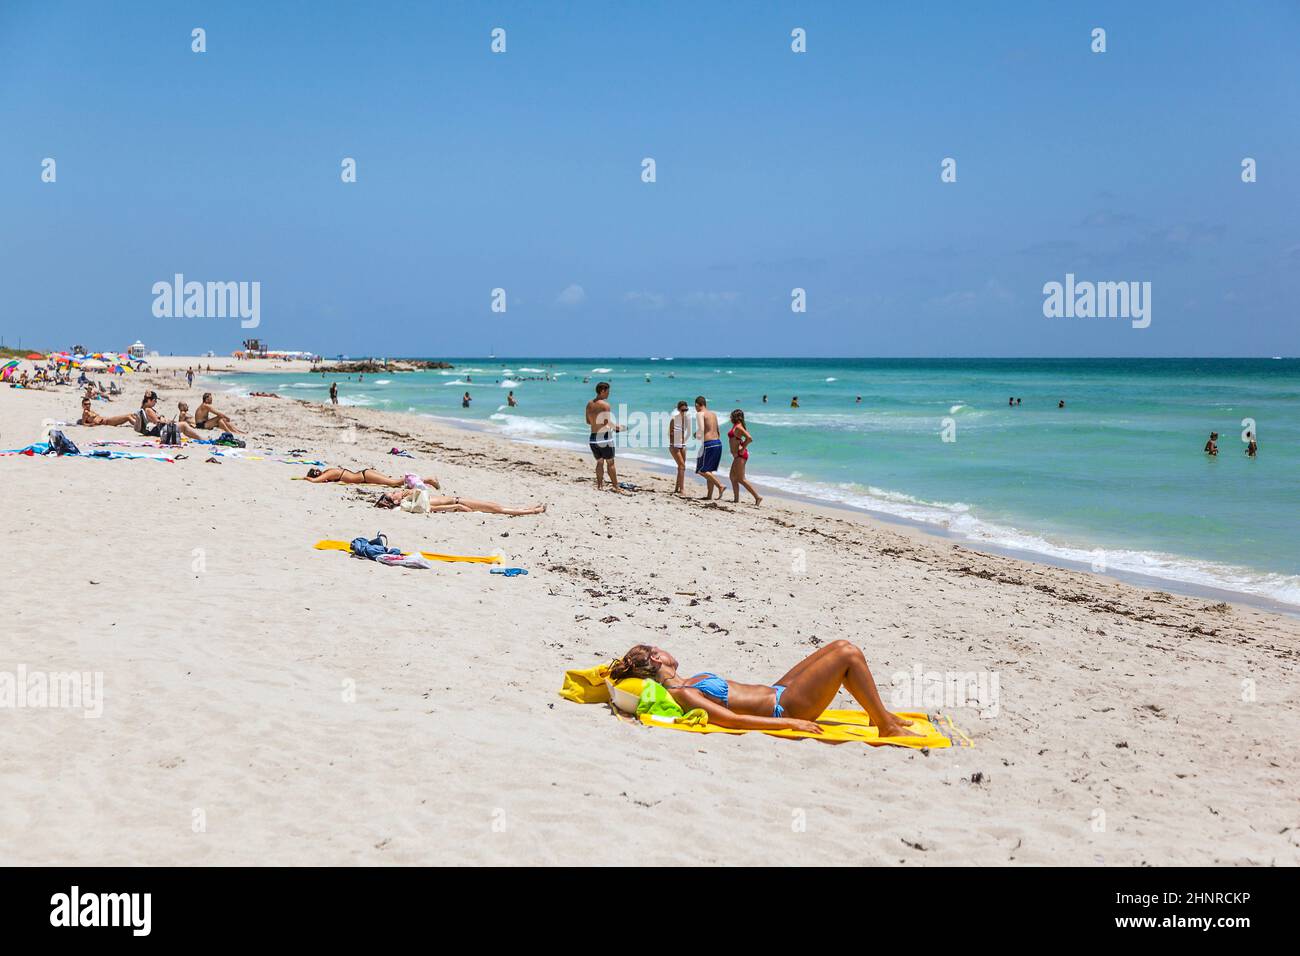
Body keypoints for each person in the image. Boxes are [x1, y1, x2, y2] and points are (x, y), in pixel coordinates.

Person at [608, 641, 917, 737]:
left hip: (778, 690)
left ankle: (880, 714)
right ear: (657, 658)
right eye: (662, 648)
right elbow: (732, 721)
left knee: (837, 647)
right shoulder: (683, 693)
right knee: (848, 654)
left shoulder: (685, 682)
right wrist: (790, 721)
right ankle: (885, 726)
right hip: (786, 706)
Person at [376, 488, 546, 516]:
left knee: (496, 506)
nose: (395, 491)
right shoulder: (409, 503)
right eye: (392, 493)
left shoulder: (408, 500)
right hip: (460, 501)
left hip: (460, 500)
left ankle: (530, 508)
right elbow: (432, 508)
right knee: (497, 508)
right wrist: (457, 506)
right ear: (394, 500)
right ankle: (532, 511)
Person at [584, 381, 625, 492]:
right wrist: (619, 428)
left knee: (600, 462)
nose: (608, 394)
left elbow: (588, 422)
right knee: (610, 462)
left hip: (593, 438)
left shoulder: (589, 404)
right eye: (608, 391)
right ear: (602, 391)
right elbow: (607, 423)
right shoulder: (605, 405)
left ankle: (600, 486)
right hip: (604, 438)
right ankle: (616, 487)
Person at [726, 409, 762, 505]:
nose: (730, 418)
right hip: (737, 455)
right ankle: (736, 499)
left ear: (736, 417)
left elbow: (749, 438)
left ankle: (757, 497)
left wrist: (742, 449)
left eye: (732, 416)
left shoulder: (739, 427)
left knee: (741, 479)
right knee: (732, 477)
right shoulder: (736, 426)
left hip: (741, 455)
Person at [693, 395, 725, 499]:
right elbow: (718, 430)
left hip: (708, 444)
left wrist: (696, 435)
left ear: (698, 405)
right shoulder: (713, 414)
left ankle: (720, 485)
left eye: (695, 406)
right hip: (718, 443)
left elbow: (701, 429)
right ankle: (709, 496)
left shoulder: (699, 414)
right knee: (709, 470)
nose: (695, 408)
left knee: (701, 470)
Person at [305, 467, 440, 488]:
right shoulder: (329, 471)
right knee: (395, 483)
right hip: (364, 474)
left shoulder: (328, 473)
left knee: (394, 483)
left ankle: (428, 480)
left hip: (365, 476)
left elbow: (315, 480)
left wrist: (305, 478)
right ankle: (425, 481)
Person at [667, 400, 690, 495]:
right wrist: (674, 434)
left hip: (682, 445)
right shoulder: (674, 419)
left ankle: (677, 488)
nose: (684, 412)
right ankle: (682, 489)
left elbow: (683, 433)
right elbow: (670, 434)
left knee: (681, 467)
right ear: (678, 409)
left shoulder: (686, 420)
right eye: (682, 410)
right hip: (674, 445)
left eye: (686, 410)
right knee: (682, 466)